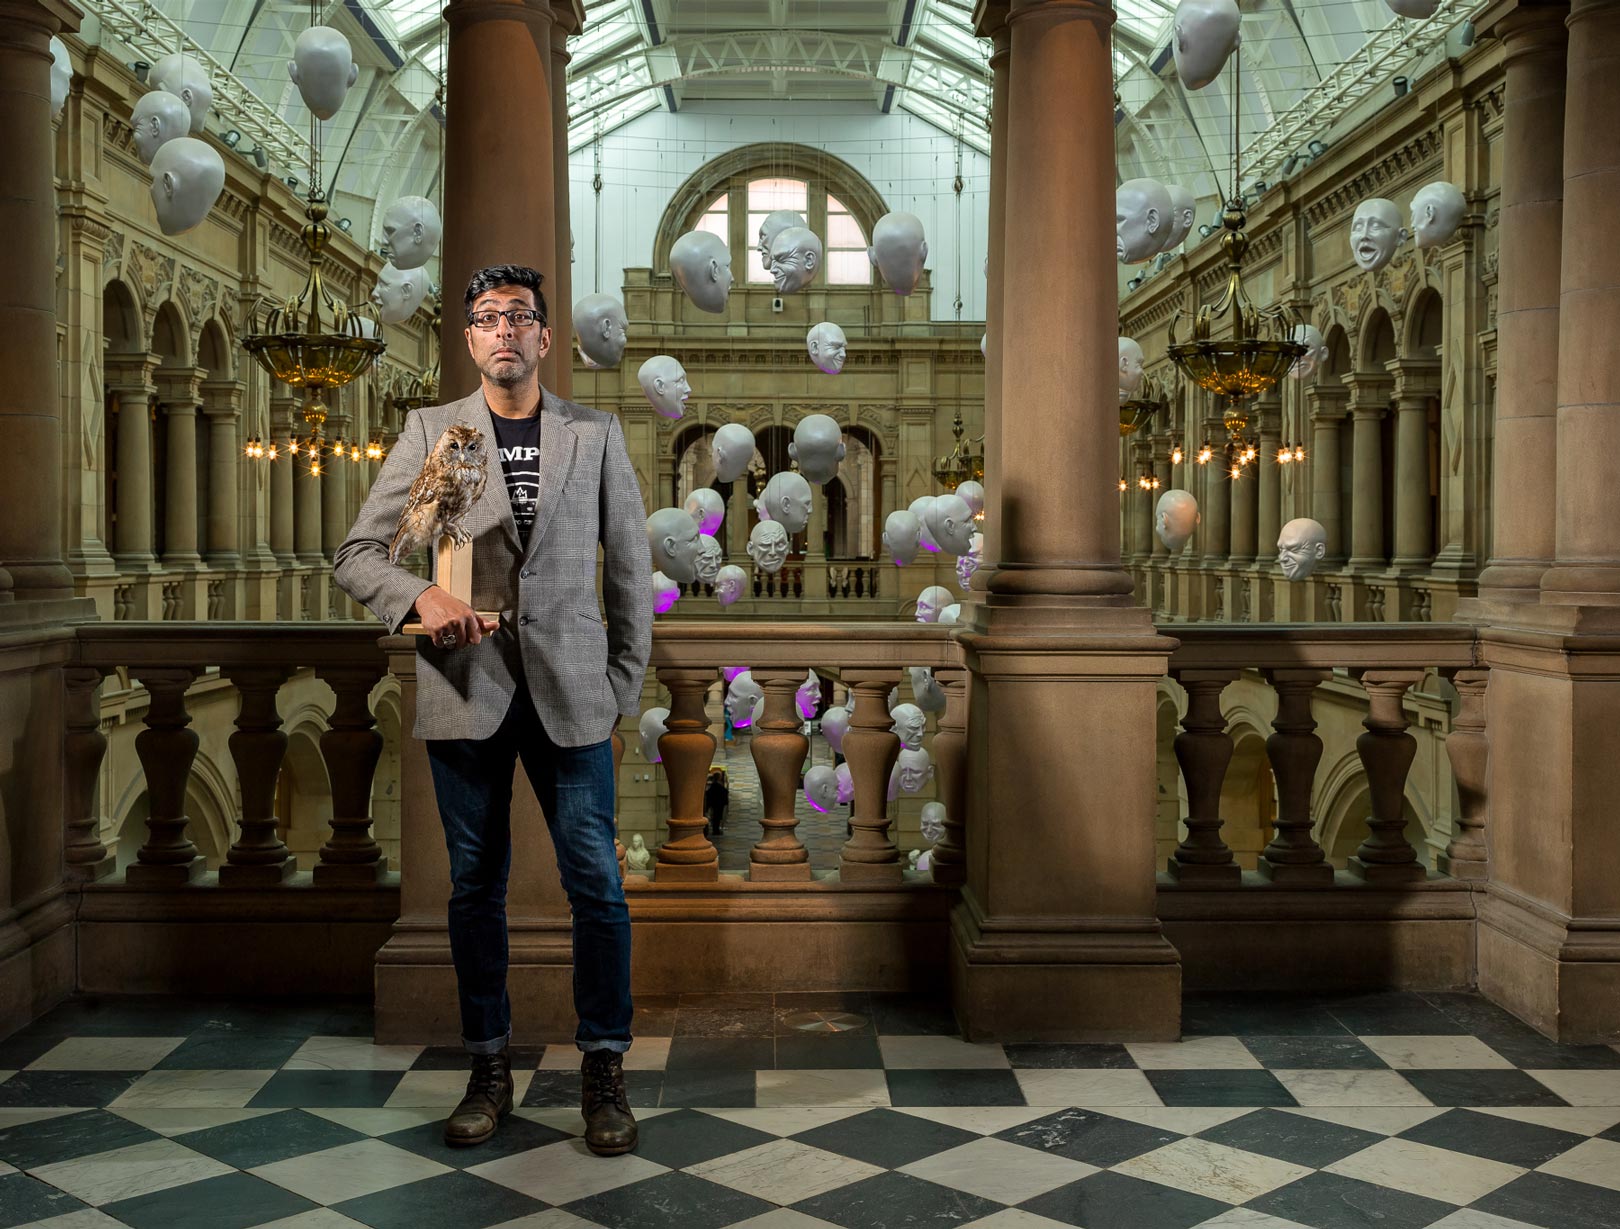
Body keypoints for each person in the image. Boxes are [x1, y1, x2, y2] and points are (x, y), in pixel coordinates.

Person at [333, 264, 651, 1156]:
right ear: (469, 341)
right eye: (484, 318)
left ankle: (604, 1068)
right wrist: (417, 599)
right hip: (466, 687)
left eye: (518, 316)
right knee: (475, 888)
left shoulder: (596, 434)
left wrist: (621, 688)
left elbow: (629, 572)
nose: (502, 329)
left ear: (545, 338)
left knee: (598, 885)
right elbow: (357, 553)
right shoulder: (432, 431)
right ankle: (488, 1068)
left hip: (575, 694)